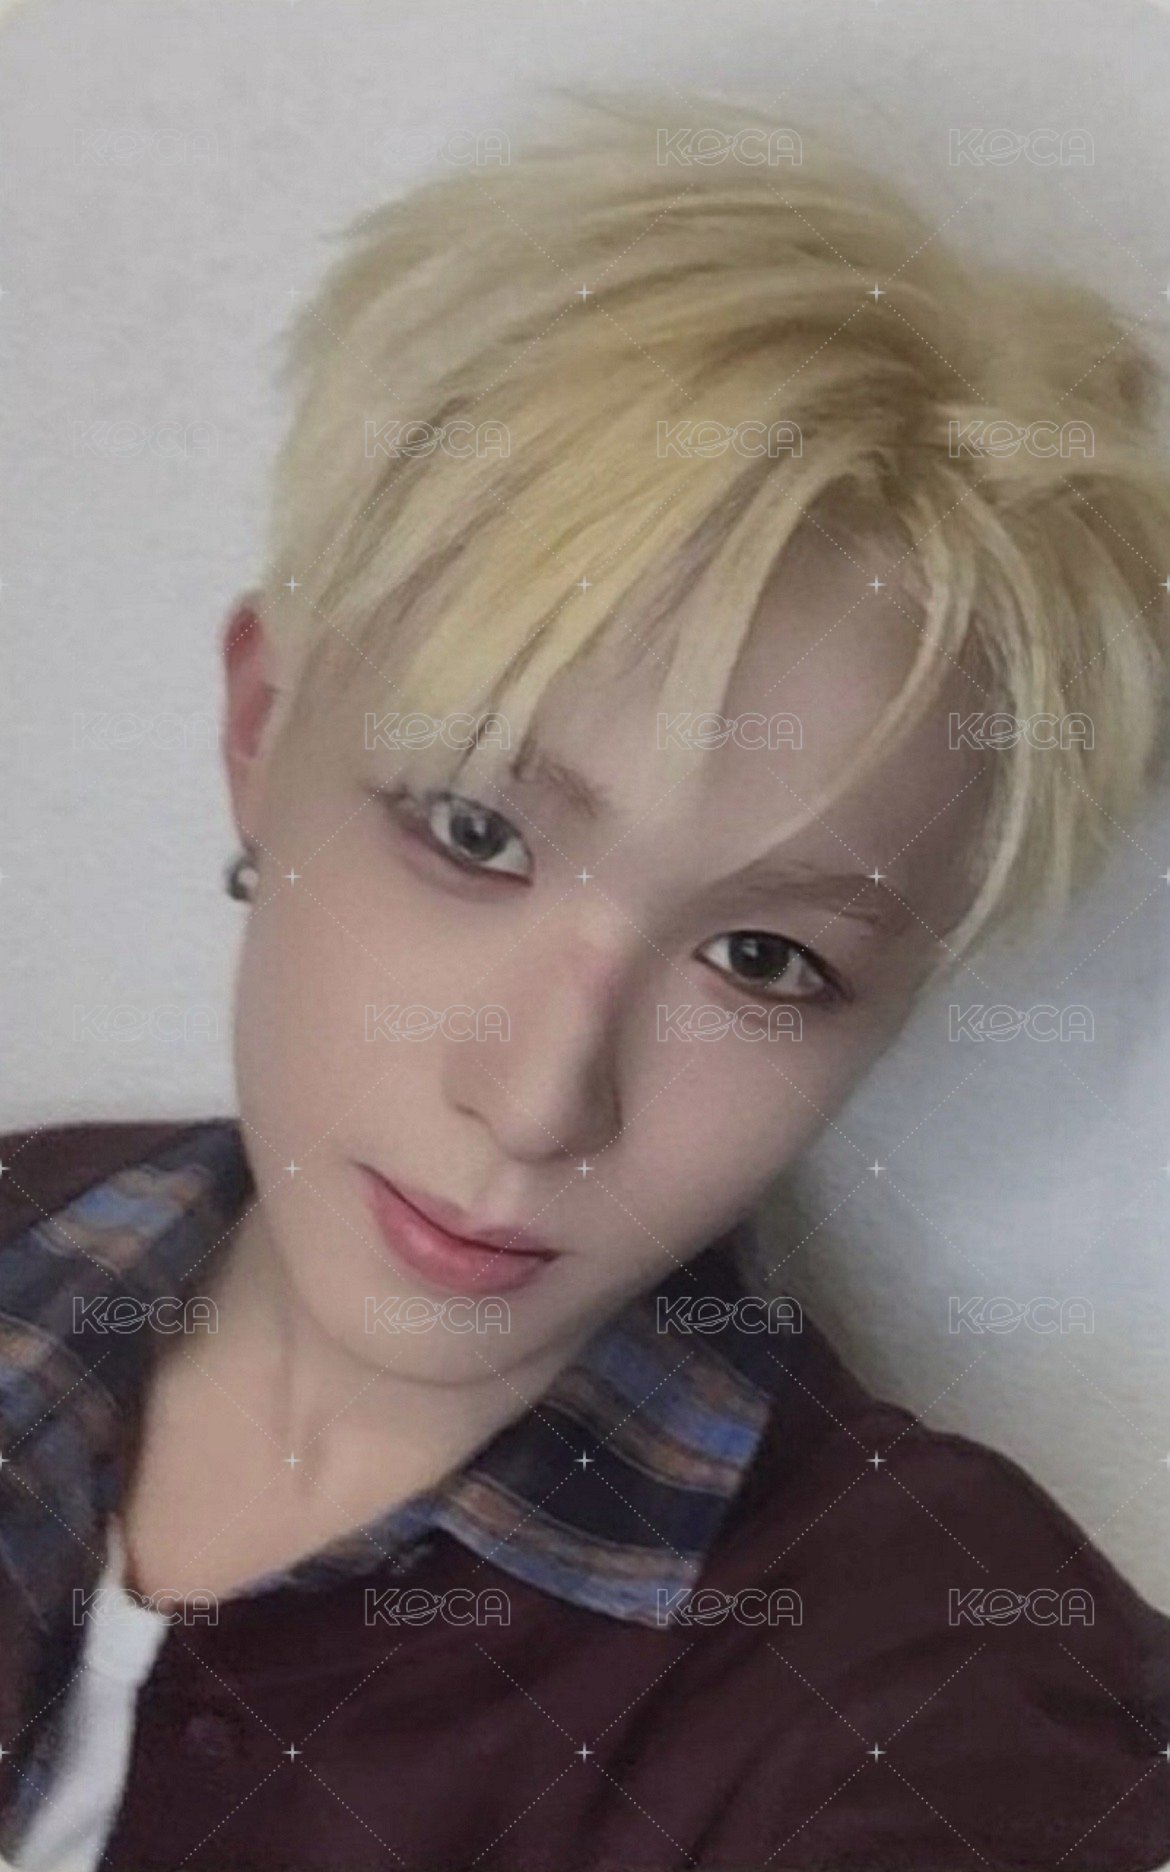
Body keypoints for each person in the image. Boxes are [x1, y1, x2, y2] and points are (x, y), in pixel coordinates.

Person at [2, 91, 1169, 1872]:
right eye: (475, 831)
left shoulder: (929, 1692)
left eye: (765, 958)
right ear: (261, 729)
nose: (540, 1098)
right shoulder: (34, 1235)